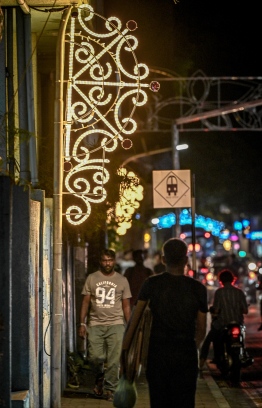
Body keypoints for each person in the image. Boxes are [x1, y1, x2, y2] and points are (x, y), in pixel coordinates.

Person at [121, 238, 208, 408]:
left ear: (163, 259)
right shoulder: (198, 288)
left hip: (157, 353)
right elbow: (202, 328)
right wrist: (194, 347)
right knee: (185, 401)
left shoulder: (151, 284)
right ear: (186, 260)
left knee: (159, 401)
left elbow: (135, 319)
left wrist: (125, 352)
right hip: (186, 354)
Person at [78, 249, 132, 402]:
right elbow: (85, 302)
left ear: (114, 261)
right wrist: (82, 323)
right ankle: (100, 377)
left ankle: (110, 390)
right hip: (95, 324)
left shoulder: (122, 280)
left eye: (109, 260)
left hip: (116, 324)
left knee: (114, 360)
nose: (107, 263)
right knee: (95, 357)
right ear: (100, 262)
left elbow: (126, 306)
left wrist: (130, 326)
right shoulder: (92, 278)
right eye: (104, 260)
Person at [200, 268, 249, 369]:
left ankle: (201, 362)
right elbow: (245, 310)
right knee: (242, 337)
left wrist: (213, 310)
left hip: (223, 323)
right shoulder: (239, 292)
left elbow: (216, 310)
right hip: (238, 322)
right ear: (232, 279)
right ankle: (243, 353)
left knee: (209, 339)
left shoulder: (219, 292)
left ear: (220, 280)